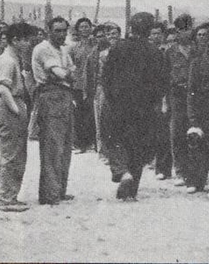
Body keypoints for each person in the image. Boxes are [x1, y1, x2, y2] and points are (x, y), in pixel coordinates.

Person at [102, 12, 161, 200]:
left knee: (114, 139)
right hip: (144, 106)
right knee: (138, 145)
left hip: (118, 103)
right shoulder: (154, 51)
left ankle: (122, 172)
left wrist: (111, 98)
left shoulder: (118, 48)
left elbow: (107, 77)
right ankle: (131, 190)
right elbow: (162, 81)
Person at [31, 16, 76, 205]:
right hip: (50, 95)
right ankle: (50, 193)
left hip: (64, 95)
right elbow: (62, 73)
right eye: (57, 30)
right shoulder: (43, 49)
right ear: (48, 31)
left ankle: (59, 190)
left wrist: (68, 75)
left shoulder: (63, 49)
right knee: (52, 146)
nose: (61, 34)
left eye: (64, 30)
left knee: (65, 145)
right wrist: (66, 74)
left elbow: (73, 71)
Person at [0, 22, 33, 213]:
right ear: (15, 40)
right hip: (10, 105)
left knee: (16, 152)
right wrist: (16, 110)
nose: (28, 43)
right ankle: (6, 198)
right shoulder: (7, 60)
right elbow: (3, 88)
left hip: (13, 104)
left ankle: (10, 196)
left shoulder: (13, 58)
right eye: (25, 39)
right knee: (11, 153)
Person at [185, 24, 209, 193]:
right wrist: (192, 117)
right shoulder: (197, 63)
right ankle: (195, 181)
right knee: (197, 146)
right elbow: (191, 91)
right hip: (202, 109)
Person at [167, 14, 196, 187]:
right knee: (177, 132)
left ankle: (193, 171)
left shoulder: (198, 49)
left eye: (188, 28)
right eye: (181, 29)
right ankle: (179, 170)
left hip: (194, 96)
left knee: (194, 132)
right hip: (176, 95)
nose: (185, 33)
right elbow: (164, 76)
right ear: (176, 31)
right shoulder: (170, 52)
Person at [68, 18, 97, 153]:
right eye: (82, 27)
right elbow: (71, 65)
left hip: (92, 83)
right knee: (79, 114)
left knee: (91, 113)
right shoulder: (74, 48)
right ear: (78, 30)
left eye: (87, 26)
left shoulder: (95, 45)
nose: (84, 29)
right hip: (78, 84)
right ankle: (81, 143)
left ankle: (93, 142)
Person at [148, 22, 172, 180]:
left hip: (164, 94)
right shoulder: (147, 51)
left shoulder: (167, 52)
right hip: (149, 95)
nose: (156, 36)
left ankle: (163, 168)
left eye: (158, 33)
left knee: (164, 132)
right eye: (153, 33)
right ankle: (152, 161)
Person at [86, 25, 111, 164]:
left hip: (114, 88)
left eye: (104, 35)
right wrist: (90, 93)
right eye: (99, 36)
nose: (102, 38)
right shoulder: (93, 55)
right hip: (100, 88)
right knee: (100, 120)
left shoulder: (115, 50)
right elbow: (89, 75)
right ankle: (102, 151)